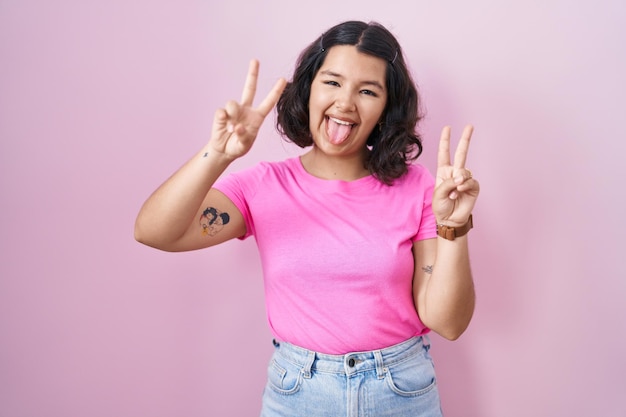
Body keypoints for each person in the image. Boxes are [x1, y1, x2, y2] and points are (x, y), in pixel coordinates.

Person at [135, 20, 479, 417]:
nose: (346, 103)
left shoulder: (417, 188)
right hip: (298, 395)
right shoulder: (262, 186)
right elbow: (153, 231)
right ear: (309, 88)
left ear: (386, 109)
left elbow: (447, 323)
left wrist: (453, 229)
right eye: (332, 82)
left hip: (400, 393)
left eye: (368, 91)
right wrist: (220, 153)